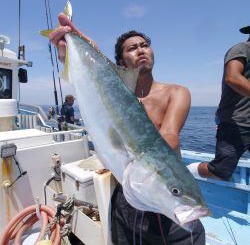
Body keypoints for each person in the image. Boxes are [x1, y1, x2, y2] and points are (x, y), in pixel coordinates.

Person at [49, 13, 205, 245]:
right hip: (127, 195)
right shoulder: (109, 93)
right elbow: (88, 85)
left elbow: (169, 136)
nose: (141, 50)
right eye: (132, 48)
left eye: (145, 45)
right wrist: (83, 54)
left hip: (162, 197)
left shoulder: (176, 92)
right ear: (121, 62)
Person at [188, 25, 250, 181]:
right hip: (234, 124)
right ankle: (186, 170)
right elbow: (233, 77)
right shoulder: (242, 48)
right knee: (220, 171)